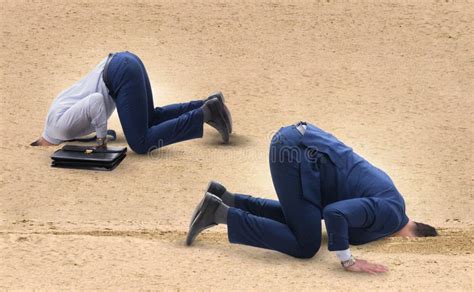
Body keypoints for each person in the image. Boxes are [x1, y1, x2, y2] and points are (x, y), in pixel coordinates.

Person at [186, 122, 437, 274]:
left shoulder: (394, 205)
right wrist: (347, 261)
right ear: (413, 238)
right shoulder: (389, 215)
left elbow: (341, 219)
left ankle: (227, 199)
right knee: (306, 244)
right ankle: (219, 213)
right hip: (297, 152)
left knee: (305, 221)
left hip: (301, 145)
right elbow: (335, 213)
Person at [31, 51, 232, 153]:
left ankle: (206, 113)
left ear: (42, 145)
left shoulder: (59, 130)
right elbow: (84, 118)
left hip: (119, 74)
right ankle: (208, 103)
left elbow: (95, 101)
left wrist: (101, 142)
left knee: (140, 142)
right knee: (149, 120)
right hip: (124, 63)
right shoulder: (55, 123)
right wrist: (100, 135)